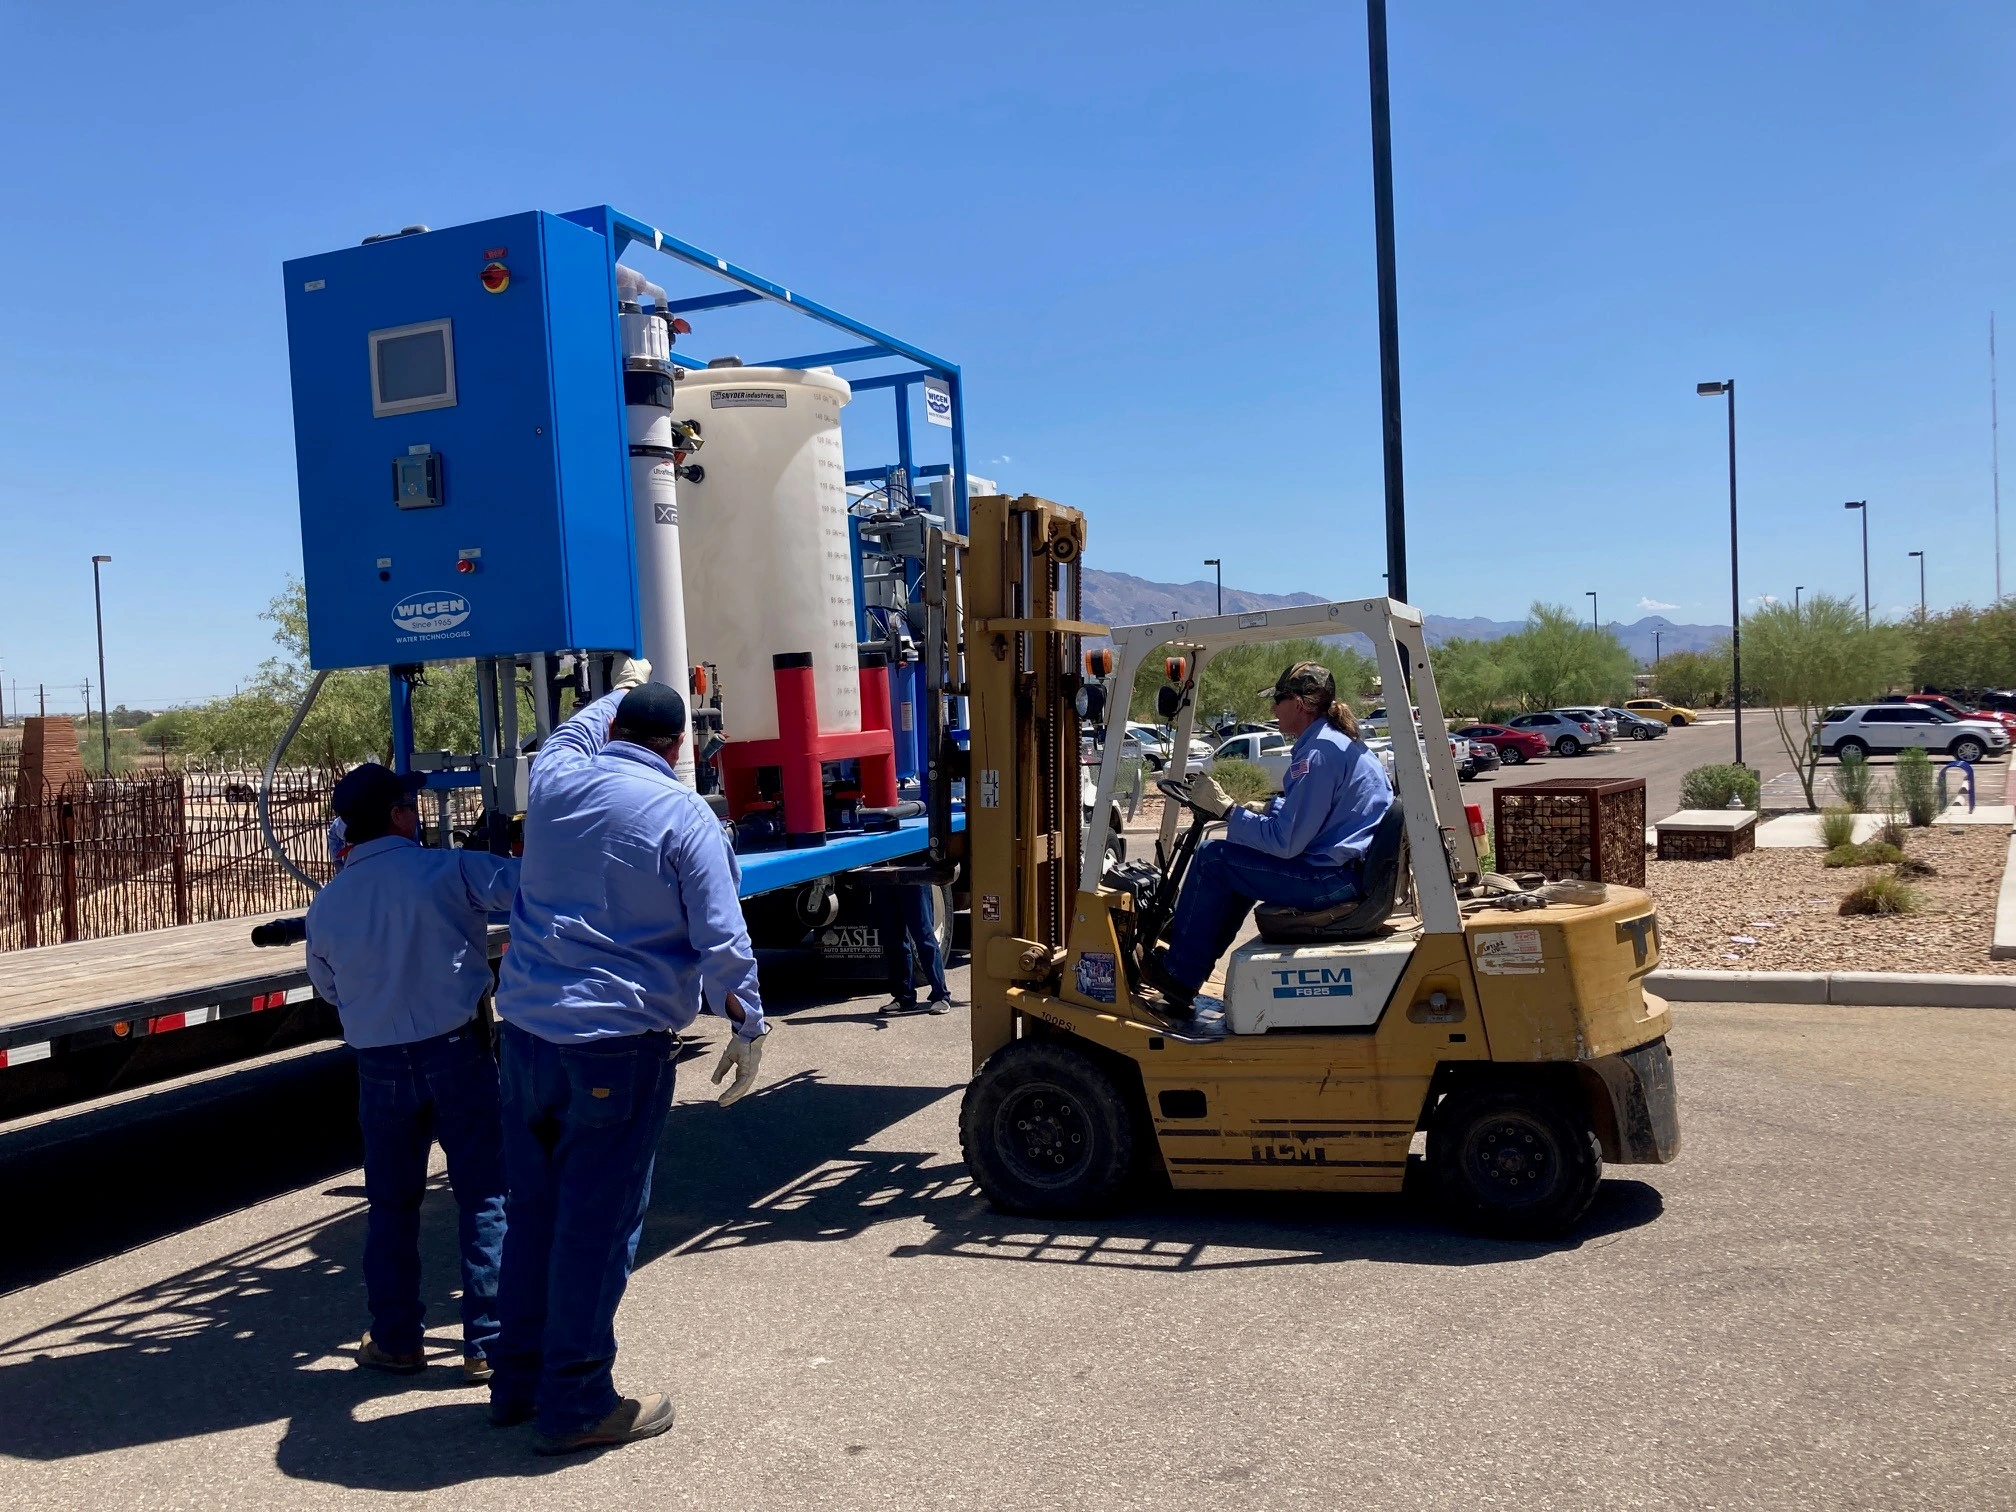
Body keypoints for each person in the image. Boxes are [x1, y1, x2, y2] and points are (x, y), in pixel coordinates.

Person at [490, 663, 771, 1456]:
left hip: (526, 1039)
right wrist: (749, 1026)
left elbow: (571, 733)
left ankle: (516, 1382)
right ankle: (576, 1400)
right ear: (680, 744)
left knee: (534, 1213)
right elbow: (722, 939)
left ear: (613, 730)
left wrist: (619, 684)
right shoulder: (683, 817)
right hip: (615, 1045)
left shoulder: (553, 783)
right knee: (595, 1223)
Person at [304, 763, 519, 1385]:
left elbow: (328, 986)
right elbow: (533, 887)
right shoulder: (449, 870)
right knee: (484, 1193)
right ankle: (488, 1343)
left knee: (392, 1204)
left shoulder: (328, 902)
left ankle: (397, 1339)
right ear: (401, 815)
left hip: (379, 1064)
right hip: (457, 1052)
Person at [1138, 661, 1393, 1015]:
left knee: (1213, 858)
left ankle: (1180, 971)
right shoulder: (1335, 744)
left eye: (1278, 698)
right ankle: (1188, 962)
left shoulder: (1317, 754)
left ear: (1301, 704)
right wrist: (1265, 808)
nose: (1272, 708)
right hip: (1343, 872)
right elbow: (1314, 815)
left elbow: (1285, 843)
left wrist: (1230, 811)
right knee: (1240, 860)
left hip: (1331, 880)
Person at [878, 883, 954, 1015]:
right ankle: (905, 998)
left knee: (923, 936)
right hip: (884, 876)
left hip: (913, 874)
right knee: (893, 939)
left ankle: (941, 995)